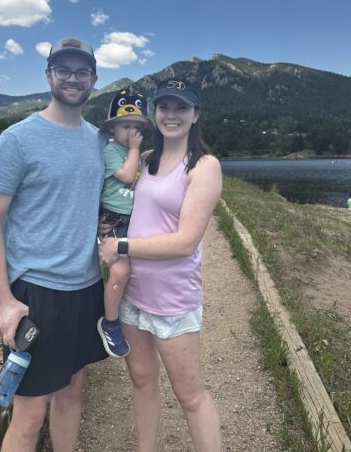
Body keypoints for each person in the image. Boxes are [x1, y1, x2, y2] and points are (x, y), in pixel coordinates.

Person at [0, 37, 108, 452]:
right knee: (30, 415)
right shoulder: (17, 139)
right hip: (35, 294)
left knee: (71, 393)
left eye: (82, 71)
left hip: (86, 289)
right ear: (49, 74)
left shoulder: (99, 142)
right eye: (64, 69)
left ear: (93, 79)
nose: (73, 78)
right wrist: (4, 301)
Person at [99, 77, 223, 452]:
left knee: (190, 395)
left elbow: (185, 242)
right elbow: (119, 198)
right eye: (165, 106)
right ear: (154, 113)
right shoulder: (146, 161)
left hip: (172, 300)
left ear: (195, 115)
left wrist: (121, 245)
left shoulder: (203, 166)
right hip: (133, 296)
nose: (172, 114)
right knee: (141, 381)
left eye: (181, 107)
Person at [97, 90, 153, 358]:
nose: (132, 132)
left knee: (134, 270)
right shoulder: (111, 151)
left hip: (133, 220)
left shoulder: (136, 154)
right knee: (120, 273)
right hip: (113, 219)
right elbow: (128, 176)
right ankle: (109, 323)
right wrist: (134, 149)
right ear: (112, 129)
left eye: (137, 128)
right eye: (125, 126)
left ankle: (131, 311)